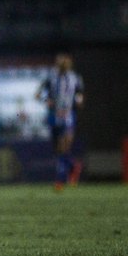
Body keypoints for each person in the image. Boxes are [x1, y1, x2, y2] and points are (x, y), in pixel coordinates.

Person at [36, 52, 84, 191]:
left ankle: (60, 180)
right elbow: (38, 94)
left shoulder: (75, 78)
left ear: (69, 63)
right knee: (58, 150)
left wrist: (79, 102)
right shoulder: (51, 77)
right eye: (60, 61)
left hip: (69, 116)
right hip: (54, 117)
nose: (62, 64)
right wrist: (47, 101)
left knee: (64, 146)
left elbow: (79, 94)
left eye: (65, 61)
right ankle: (73, 166)